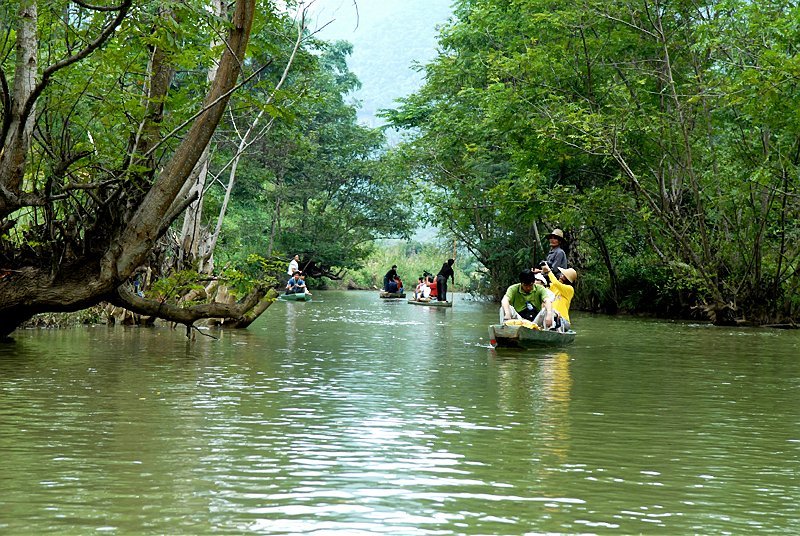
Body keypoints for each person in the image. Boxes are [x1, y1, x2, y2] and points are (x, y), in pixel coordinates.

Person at [536, 263, 577, 331]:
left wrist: (549, 271)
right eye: (561, 274)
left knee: (552, 316)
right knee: (544, 311)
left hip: (563, 320)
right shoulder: (554, 287)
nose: (561, 276)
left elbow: (555, 283)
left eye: (563, 276)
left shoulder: (569, 289)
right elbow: (544, 285)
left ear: (568, 279)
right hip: (550, 317)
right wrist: (540, 272)